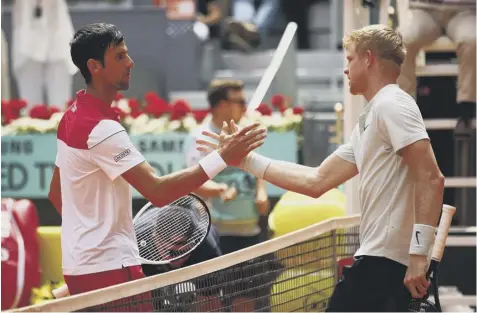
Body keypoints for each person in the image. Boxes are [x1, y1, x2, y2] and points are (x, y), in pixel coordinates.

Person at [197, 24, 446, 312]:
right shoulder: (373, 116)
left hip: (389, 262)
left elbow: (431, 178)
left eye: (350, 59)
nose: (345, 69)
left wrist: (418, 253)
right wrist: (245, 161)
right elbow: (316, 181)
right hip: (381, 260)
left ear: (368, 58)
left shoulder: (392, 104)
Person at [47, 22, 266, 305]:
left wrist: (90, 239)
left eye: (127, 54)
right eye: (119, 57)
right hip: (110, 270)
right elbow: (158, 192)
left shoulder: (72, 116)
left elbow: (55, 194)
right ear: (94, 66)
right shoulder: (101, 128)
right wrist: (222, 157)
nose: (131, 63)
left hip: (82, 267)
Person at [184, 79, 270, 311]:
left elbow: (257, 171)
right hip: (213, 234)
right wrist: (220, 189)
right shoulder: (199, 137)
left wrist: (261, 193)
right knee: (208, 298)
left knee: (244, 298)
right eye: (240, 101)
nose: (244, 107)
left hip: (247, 231)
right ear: (221, 105)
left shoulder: (245, 132)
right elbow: (195, 182)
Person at [397, 0, 476, 128]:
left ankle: (466, 110)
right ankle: (404, 109)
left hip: (465, 11)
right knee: (402, 39)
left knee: (472, 41)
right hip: (424, 10)